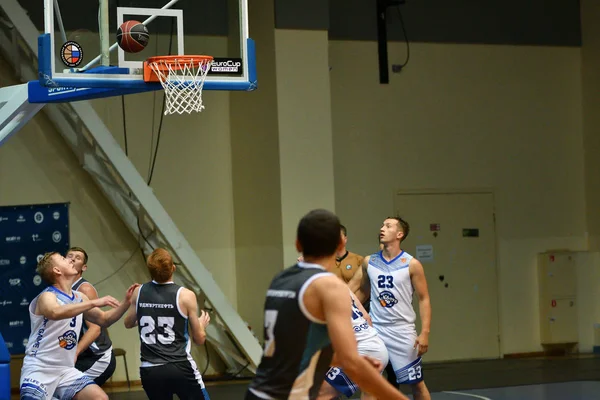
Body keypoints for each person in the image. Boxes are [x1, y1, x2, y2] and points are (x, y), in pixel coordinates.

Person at [246, 209, 409, 400]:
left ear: (297, 244)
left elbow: (294, 346)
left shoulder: (279, 280)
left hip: (259, 389)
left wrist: (339, 359)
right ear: (341, 244)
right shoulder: (329, 286)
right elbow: (351, 358)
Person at [19, 252, 138, 400]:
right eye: (64, 258)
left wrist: (126, 302)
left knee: (100, 398)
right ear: (57, 270)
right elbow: (55, 312)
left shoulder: (79, 296)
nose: (70, 260)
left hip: (65, 370)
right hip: (40, 368)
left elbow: (104, 319)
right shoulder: (47, 296)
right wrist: (94, 302)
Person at [358, 217, 432, 400]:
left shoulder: (411, 264)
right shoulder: (370, 261)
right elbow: (361, 292)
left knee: (416, 382)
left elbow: (424, 299)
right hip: (376, 329)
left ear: (400, 234)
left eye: (388, 226)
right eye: (382, 224)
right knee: (369, 383)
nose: (382, 228)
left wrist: (425, 332)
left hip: (402, 330)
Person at [124, 248, 211, 400]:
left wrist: (150, 312)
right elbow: (199, 339)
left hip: (150, 369)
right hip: (179, 365)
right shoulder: (185, 295)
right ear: (173, 268)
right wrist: (201, 325)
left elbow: (128, 323)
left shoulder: (139, 291)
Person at [67, 247, 116, 386]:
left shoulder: (84, 289)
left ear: (84, 267)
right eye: (69, 255)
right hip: (83, 355)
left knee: (68, 388)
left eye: (77, 257)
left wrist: (75, 353)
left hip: (97, 356)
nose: (72, 258)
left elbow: (95, 329)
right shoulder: (61, 288)